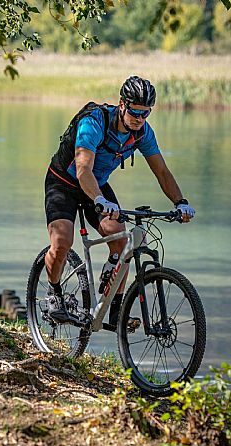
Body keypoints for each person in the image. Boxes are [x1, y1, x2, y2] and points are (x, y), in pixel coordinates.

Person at [44, 75, 195, 328]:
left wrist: (180, 202)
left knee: (123, 241)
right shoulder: (94, 123)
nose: (140, 119)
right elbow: (82, 169)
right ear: (122, 104)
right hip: (64, 182)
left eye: (146, 114)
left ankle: (114, 312)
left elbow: (162, 172)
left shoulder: (142, 133)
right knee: (62, 242)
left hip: (97, 186)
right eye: (135, 111)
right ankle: (53, 292)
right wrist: (100, 200)